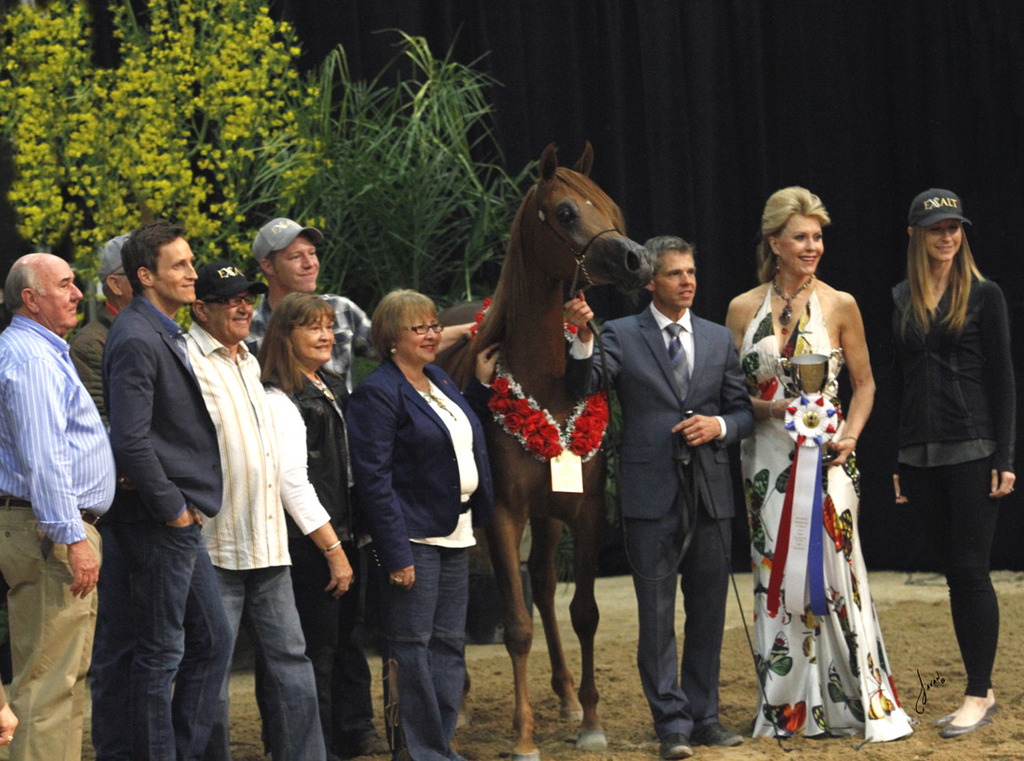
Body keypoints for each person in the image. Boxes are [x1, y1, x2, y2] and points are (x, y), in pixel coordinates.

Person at [725, 187, 912, 742]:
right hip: (764, 462)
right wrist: (770, 409)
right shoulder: (741, 309)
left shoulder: (840, 304)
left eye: (818, 237)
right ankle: (787, 708)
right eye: (801, 237)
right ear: (774, 242)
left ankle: (857, 698)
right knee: (775, 573)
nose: (813, 247)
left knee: (837, 574)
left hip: (829, 461)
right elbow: (731, 392)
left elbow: (865, 384)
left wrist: (850, 435)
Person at [565, 236, 753, 759]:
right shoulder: (621, 334)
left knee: (709, 612)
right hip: (650, 495)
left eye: (691, 272)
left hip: (710, 492)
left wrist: (718, 425)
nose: (687, 282)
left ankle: (705, 717)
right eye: (675, 274)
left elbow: (741, 413)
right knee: (655, 615)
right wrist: (583, 338)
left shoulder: (718, 337)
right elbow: (585, 385)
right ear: (650, 282)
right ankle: (671, 724)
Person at [185, 261, 349, 761]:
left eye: (246, 298)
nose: (243, 307)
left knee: (293, 662)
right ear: (200, 308)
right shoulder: (186, 359)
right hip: (216, 544)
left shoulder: (250, 364)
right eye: (230, 300)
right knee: (211, 669)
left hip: (269, 542)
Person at [246, 217, 388, 757]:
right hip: (308, 535)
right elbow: (293, 482)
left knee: (345, 637)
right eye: (314, 329)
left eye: (329, 328)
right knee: (311, 648)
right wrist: (331, 546)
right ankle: (311, 743)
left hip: (341, 524)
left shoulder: (327, 382)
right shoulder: (279, 393)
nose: (328, 336)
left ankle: (351, 731)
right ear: (286, 336)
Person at [103, 220, 233, 761]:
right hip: (159, 521)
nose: (192, 272)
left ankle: (179, 751)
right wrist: (174, 509)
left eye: (190, 261)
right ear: (145, 276)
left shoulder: (157, 329)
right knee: (161, 654)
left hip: (173, 518)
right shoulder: (137, 335)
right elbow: (130, 440)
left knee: (213, 640)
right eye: (179, 264)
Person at [346, 289, 495, 761]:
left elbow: (451, 435)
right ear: (392, 338)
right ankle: (420, 751)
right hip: (413, 537)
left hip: (455, 532)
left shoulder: (438, 378)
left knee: (449, 645)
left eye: (434, 326)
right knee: (411, 646)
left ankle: (439, 745)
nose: (432, 335)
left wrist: (480, 390)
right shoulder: (378, 392)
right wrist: (396, 552)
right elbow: (373, 479)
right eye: (420, 328)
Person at [891, 189, 1014, 738]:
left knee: (970, 572)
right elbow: (900, 382)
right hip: (919, 455)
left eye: (954, 227)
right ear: (915, 235)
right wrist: (898, 457)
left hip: (972, 448)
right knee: (954, 576)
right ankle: (981, 690)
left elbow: (1003, 379)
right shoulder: (900, 297)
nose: (948, 236)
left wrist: (1005, 456)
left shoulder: (985, 295)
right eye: (937, 228)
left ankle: (977, 693)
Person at [0, 253, 114, 761]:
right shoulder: (31, 359)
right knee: (47, 684)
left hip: (48, 527)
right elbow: (44, 457)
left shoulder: (41, 352)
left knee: (62, 680)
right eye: (65, 284)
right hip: (49, 532)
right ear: (31, 298)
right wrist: (71, 535)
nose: (77, 294)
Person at [68, 232, 136, 761]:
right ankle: (114, 747)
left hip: (143, 499)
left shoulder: (158, 331)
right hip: (113, 508)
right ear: (116, 284)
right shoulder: (92, 342)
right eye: (143, 269)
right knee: (115, 635)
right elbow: (100, 428)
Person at [70, 233, 133, 422]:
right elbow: (98, 423)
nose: (155, 281)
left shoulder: (165, 330)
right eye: (143, 274)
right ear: (115, 285)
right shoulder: (91, 344)